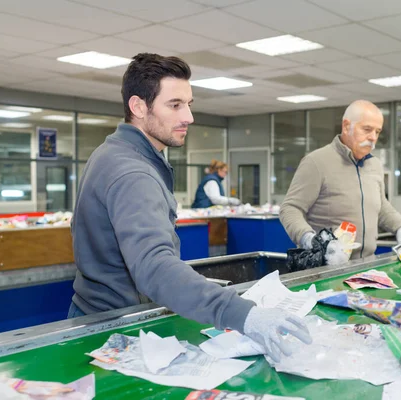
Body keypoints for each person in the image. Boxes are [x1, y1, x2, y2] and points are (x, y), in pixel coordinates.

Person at [68, 53, 311, 362]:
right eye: (175, 105)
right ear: (138, 107)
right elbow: (154, 268)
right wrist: (244, 315)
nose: (189, 117)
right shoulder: (133, 172)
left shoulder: (109, 153)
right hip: (115, 325)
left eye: (189, 104)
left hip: (94, 316)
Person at [280, 100, 401, 260]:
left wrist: (400, 227)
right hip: (325, 267)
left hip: (366, 264)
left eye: (377, 132)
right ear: (346, 126)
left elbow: (381, 206)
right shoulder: (316, 162)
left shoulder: (375, 165)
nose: (373, 138)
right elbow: (290, 208)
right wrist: (309, 239)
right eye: (367, 129)